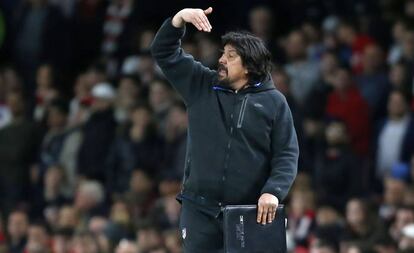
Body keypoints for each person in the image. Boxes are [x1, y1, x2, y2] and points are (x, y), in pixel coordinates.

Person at [151, 7, 299, 252]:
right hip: (198, 209)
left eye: (231, 56)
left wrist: (273, 192)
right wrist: (178, 19)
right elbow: (163, 52)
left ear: (250, 66)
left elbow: (286, 154)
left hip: (248, 212)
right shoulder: (202, 85)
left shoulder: (274, 102)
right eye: (223, 53)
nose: (221, 59)